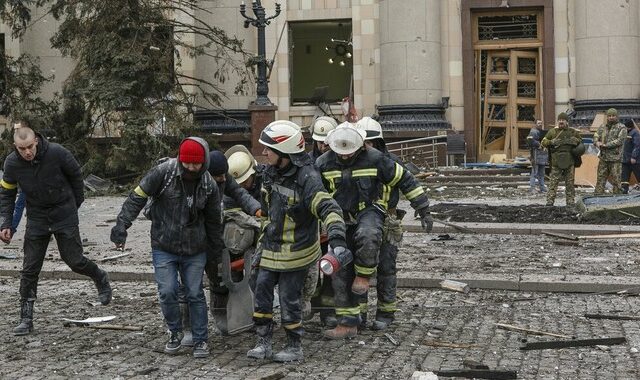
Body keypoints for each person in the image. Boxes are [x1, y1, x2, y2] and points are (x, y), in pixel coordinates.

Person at [316, 123, 432, 339]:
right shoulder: (323, 163)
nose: (346, 156)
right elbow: (313, 191)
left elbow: (406, 180)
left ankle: (365, 278)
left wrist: (423, 208)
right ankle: (348, 323)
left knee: (368, 237)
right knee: (340, 272)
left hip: (369, 211)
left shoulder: (376, 159)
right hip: (340, 217)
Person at [110, 137, 223, 358]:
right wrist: (121, 226)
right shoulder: (164, 173)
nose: (191, 168)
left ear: (205, 162)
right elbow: (136, 198)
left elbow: (213, 223)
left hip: (195, 248)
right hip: (164, 245)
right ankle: (175, 332)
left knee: (194, 293)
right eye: (187, 163)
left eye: (196, 164)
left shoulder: (209, 185)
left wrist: (215, 255)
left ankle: (200, 340)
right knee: (167, 291)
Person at [247, 120, 348, 362]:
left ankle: (294, 346)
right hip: (271, 247)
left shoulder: (307, 177)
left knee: (289, 298)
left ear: (284, 152)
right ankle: (264, 342)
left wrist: (337, 238)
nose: (264, 153)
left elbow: (328, 207)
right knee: (260, 290)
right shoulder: (271, 173)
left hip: (296, 251)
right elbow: (268, 212)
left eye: (269, 148)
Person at [0, 124, 112, 336]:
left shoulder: (57, 152)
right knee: (29, 268)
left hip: (64, 213)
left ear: (36, 141)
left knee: (75, 260)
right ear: (15, 146)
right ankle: (26, 317)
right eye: (22, 148)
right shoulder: (12, 163)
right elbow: (6, 194)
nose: (27, 152)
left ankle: (100, 277)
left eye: (30, 147)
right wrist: (5, 223)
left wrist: (74, 205)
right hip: (37, 218)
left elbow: (77, 177)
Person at [356, 116, 433, 330]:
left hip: (389, 223)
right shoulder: (353, 164)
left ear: (379, 143)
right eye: (363, 144)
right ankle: (358, 315)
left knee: (386, 268)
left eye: (370, 143)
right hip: (361, 224)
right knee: (358, 270)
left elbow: (410, 184)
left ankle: (386, 312)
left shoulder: (392, 163)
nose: (367, 148)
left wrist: (423, 210)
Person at [541, 113, 583, 208]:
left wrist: (575, 141)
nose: (561, 121)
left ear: (567, 122)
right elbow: (543, 142)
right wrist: (551, 142)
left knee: (570, 183)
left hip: (570, 162)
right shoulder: (552, 132)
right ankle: (550, 202)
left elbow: (581, 142)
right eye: (559, 120)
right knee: (553, 183)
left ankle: (570, 202)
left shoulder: (573, 132)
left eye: (563, 120)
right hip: (556, 162)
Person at [593, 108, 627, 195]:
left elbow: (619, 140)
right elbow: (596, 135)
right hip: (604, 159)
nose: (611, 117)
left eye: (613, 116)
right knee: (600, 180)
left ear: (617, 116)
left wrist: (605, 145)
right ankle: (598, 197)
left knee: (616, 181)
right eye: (609, 116)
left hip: (615, 159)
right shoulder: (602, 127)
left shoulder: (622, 127)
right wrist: (596, 142)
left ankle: (617, 199)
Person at [527, 119, 548, 194]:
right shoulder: (533, 132)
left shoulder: (542, 132)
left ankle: (542, 187)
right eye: (539, 123)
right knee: (534, 173)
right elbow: (530, 141)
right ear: (535, 124)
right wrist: (538, 144)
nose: (540, 124)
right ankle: (532, 188)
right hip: (535, 154)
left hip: (543, 155)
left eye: (541, 123)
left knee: (542, 173)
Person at [621, 119, 640, 194]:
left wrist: (634, 157)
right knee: (624, 176)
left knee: (638, 174)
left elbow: (637, 146)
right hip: (626, 160)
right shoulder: (627, 133)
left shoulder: (635, 133)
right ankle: (624, 190)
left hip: (634, 161)